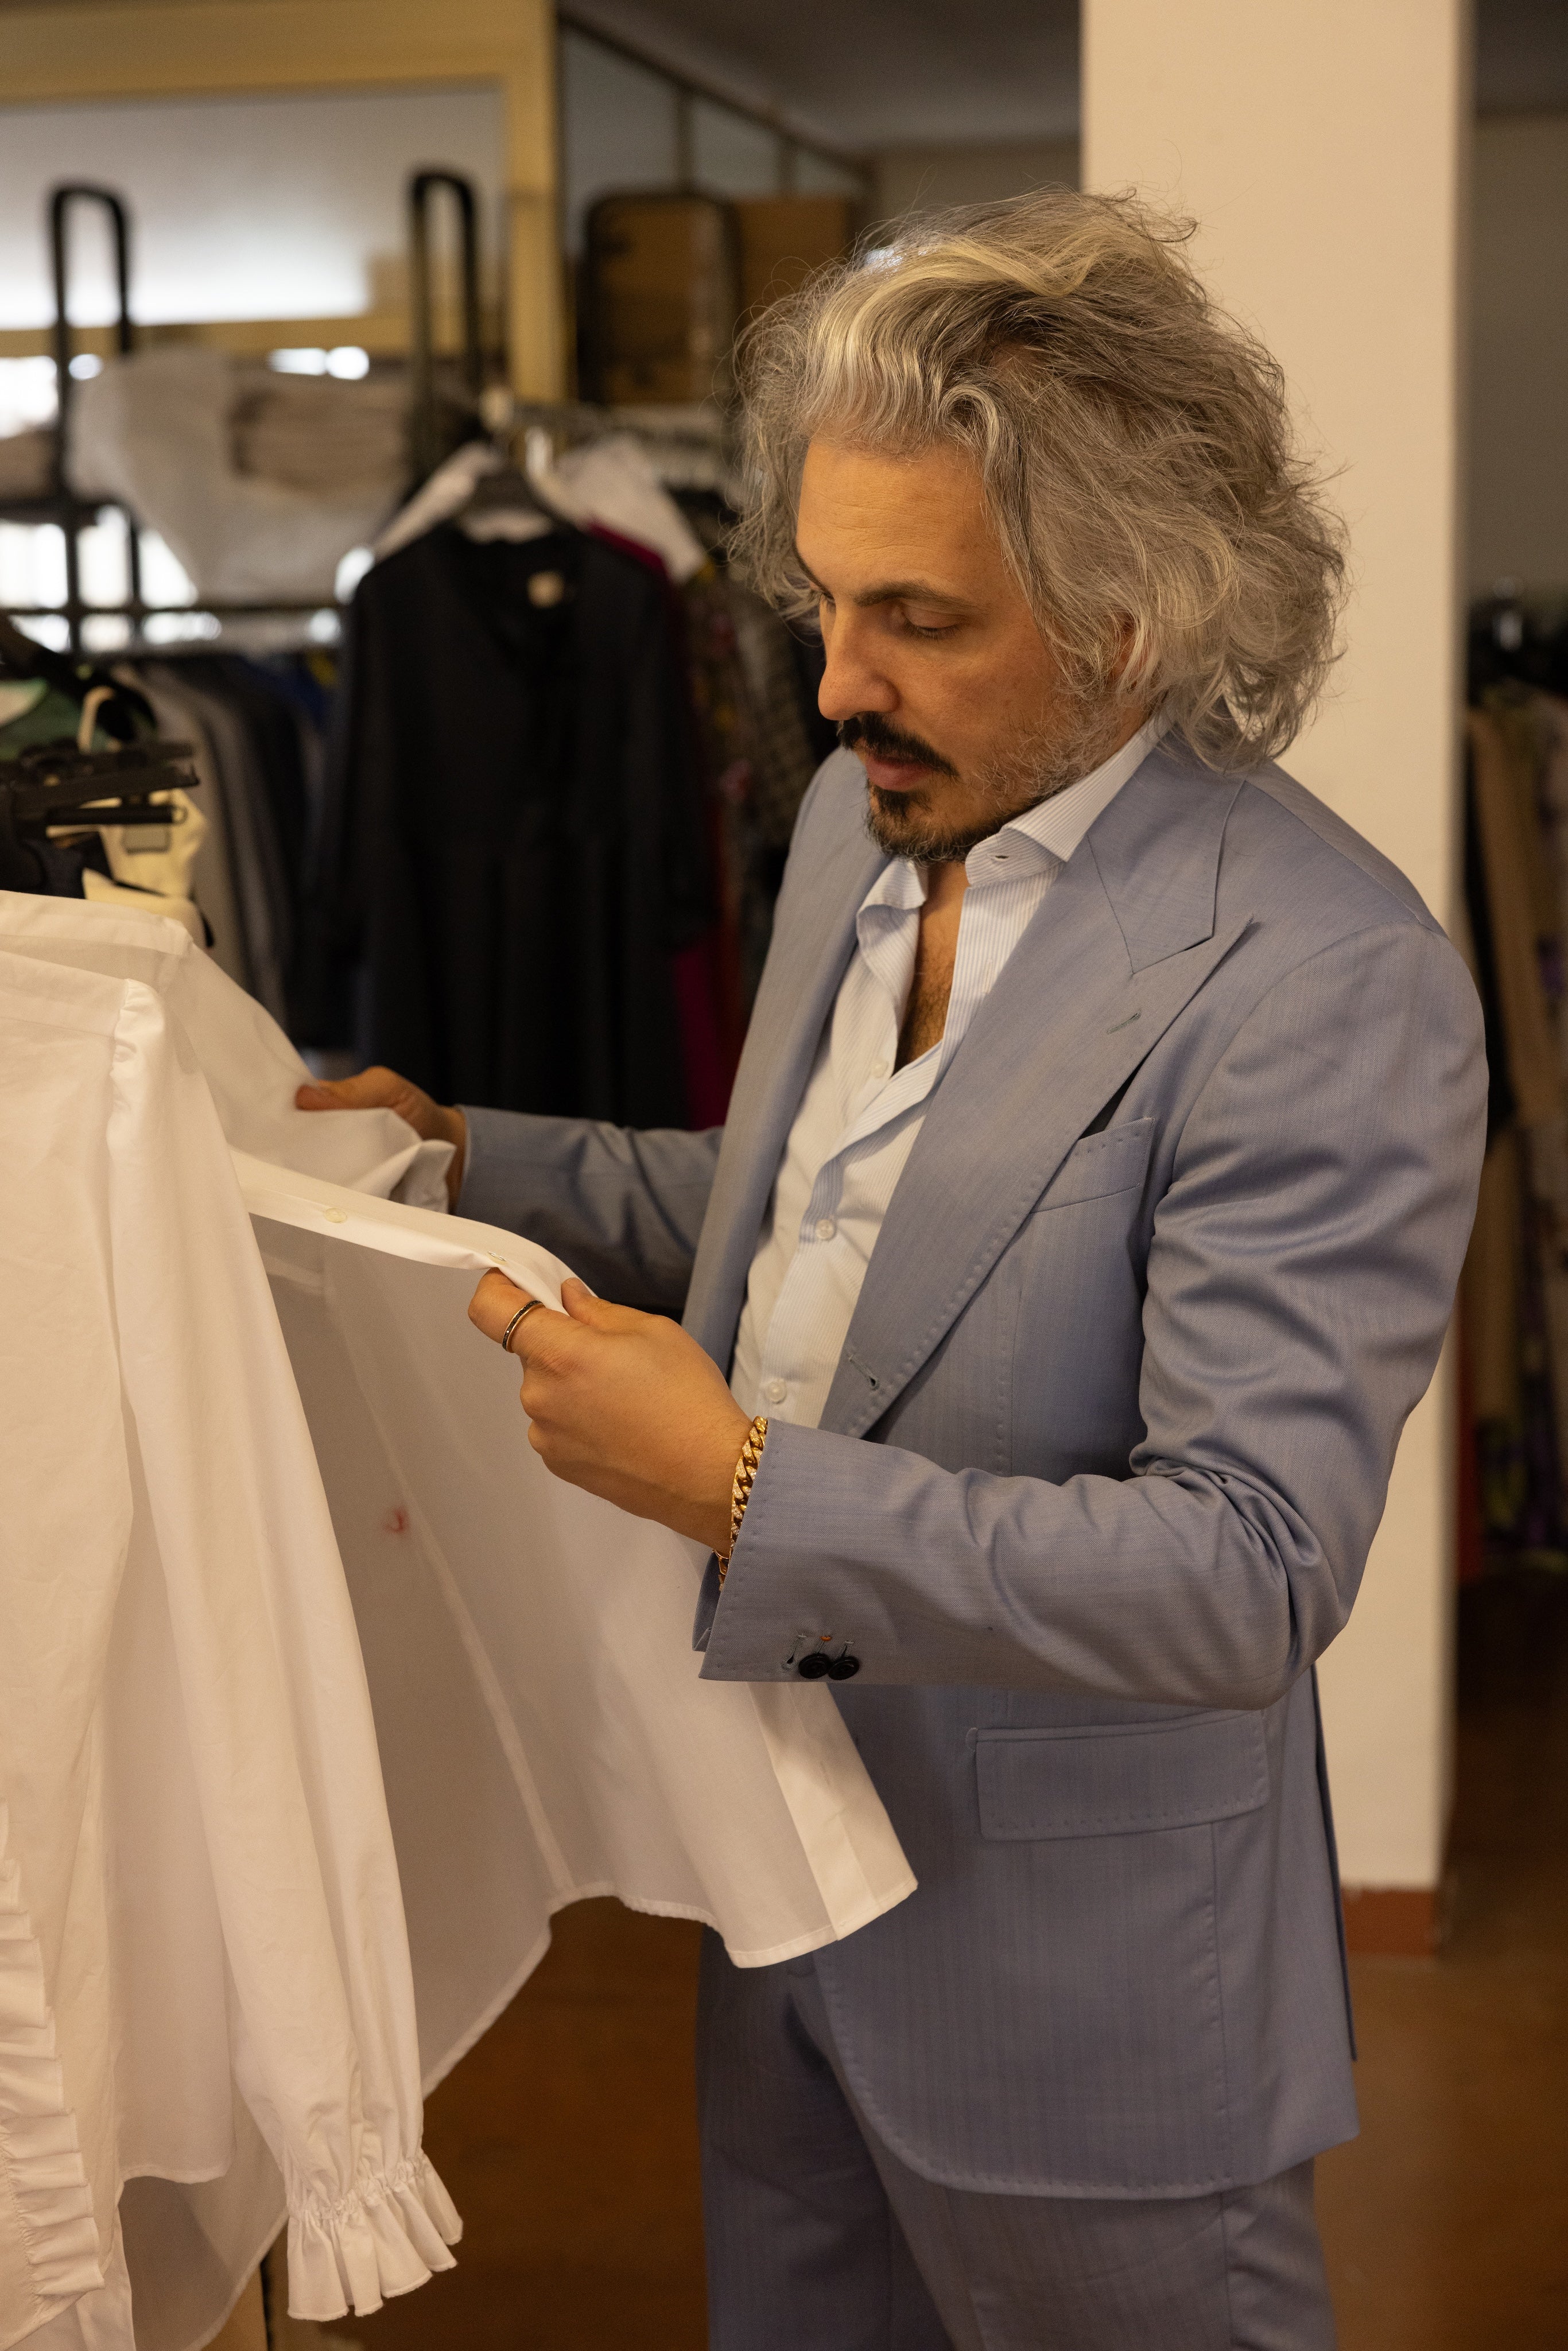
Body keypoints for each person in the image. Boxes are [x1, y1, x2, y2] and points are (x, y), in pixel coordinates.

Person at [299, 192, 1486, 2349]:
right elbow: (816, 1218)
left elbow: (1245, 1572)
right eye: (824, 602)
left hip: (1081, 2001)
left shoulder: (1322, 979)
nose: (835, 686)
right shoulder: (874, 814)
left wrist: (742, 1488)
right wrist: (480, 1150)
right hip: (780, 1907)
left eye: (916, 617)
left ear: (1135, 617)